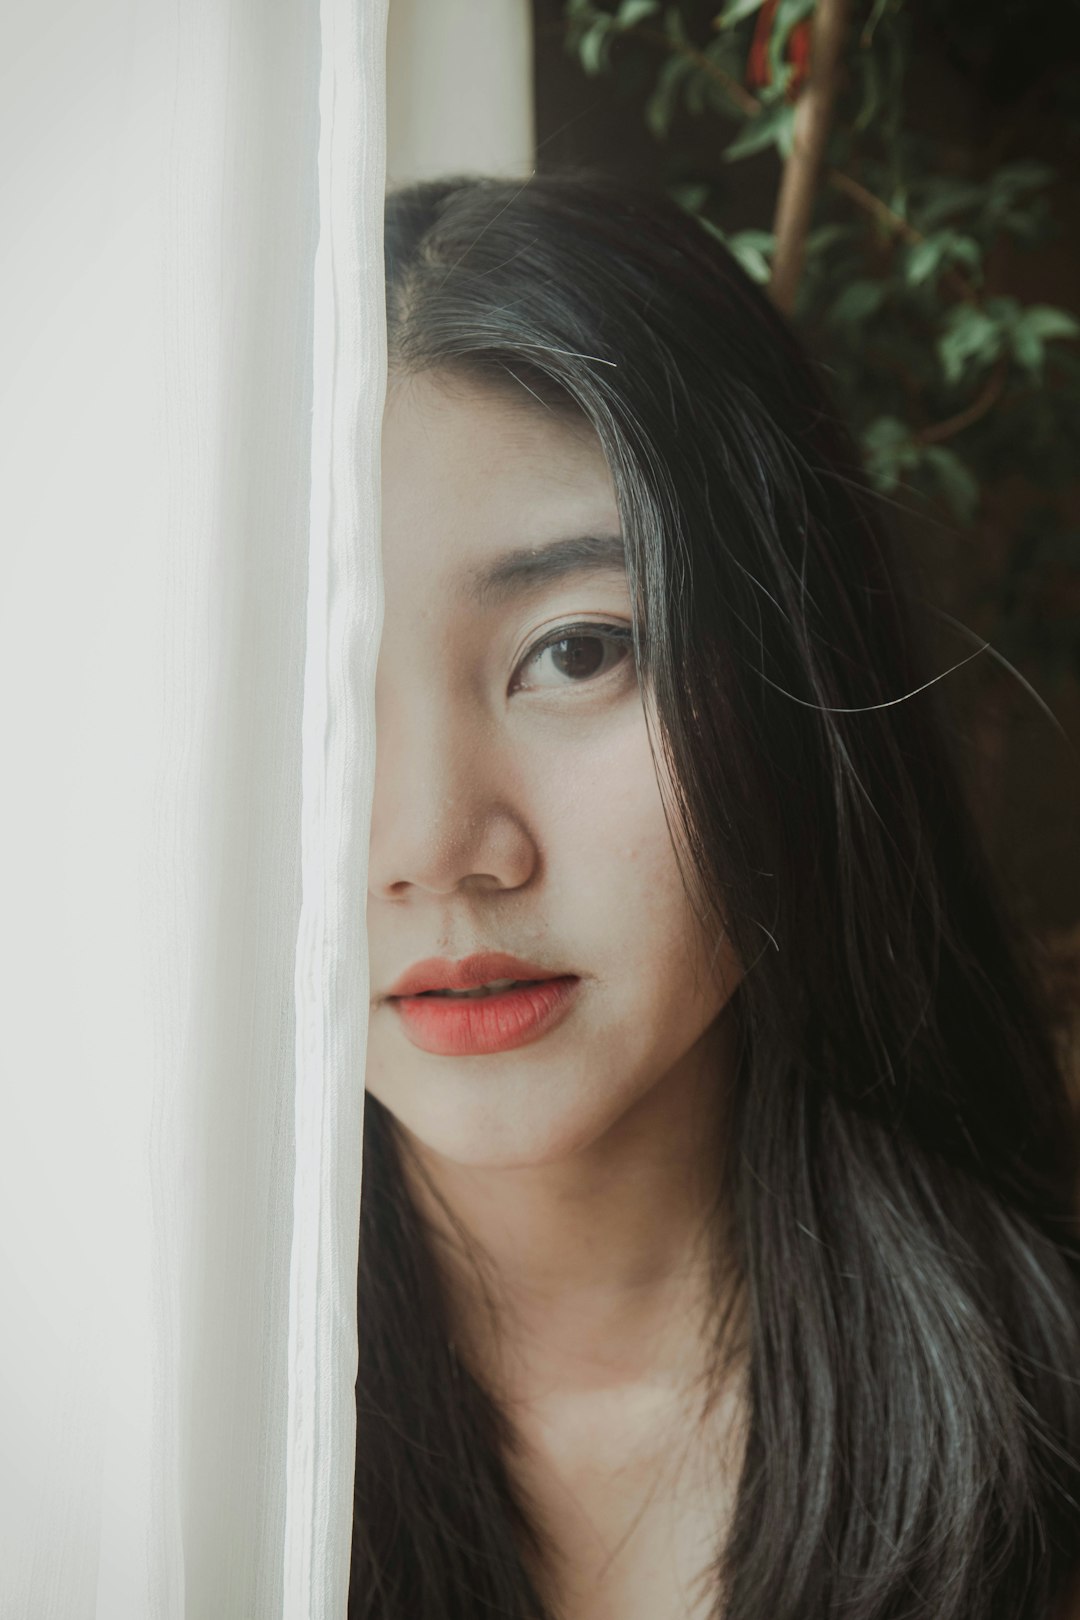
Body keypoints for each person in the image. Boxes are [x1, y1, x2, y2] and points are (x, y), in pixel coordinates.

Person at [350, 171, 1080, 1620]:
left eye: (576, 652)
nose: (436, 845)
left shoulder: (1042, 1441)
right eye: (316, 703)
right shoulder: (124, 1443)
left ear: (795, 681)